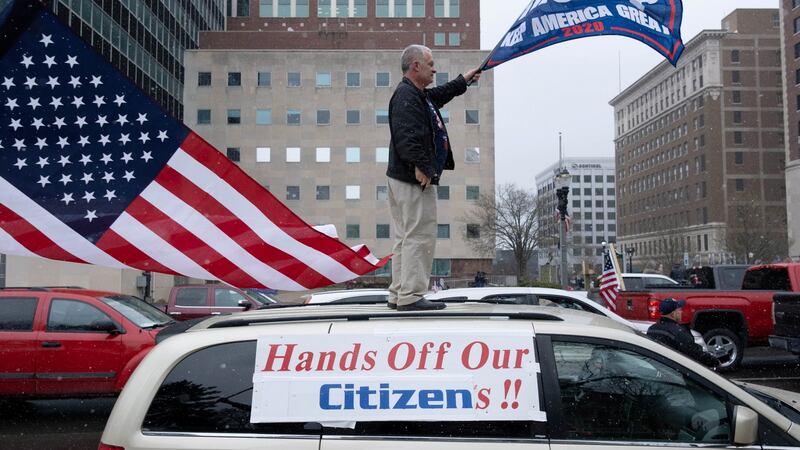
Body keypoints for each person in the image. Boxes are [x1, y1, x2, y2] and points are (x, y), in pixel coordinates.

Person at [385, 44, 481, 311]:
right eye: (430, 63)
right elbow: (406, 136)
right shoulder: (407, 96)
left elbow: (439, 95)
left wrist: (464, 81)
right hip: (412, 179)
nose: (434, 68)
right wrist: (421, 166)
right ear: (416, 66)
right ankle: (412, 296)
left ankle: (399, 294)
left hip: (403, 178)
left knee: (406, 236)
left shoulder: (416, 95)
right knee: (420, 236)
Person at [647, 298, 719, 368]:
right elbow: (693, 353)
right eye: (679, 310)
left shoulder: (652, 329)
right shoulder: (678, 332)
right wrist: (713, 361)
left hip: (657, 367)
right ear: (673, 314)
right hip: (674, 371)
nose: (681, 312)